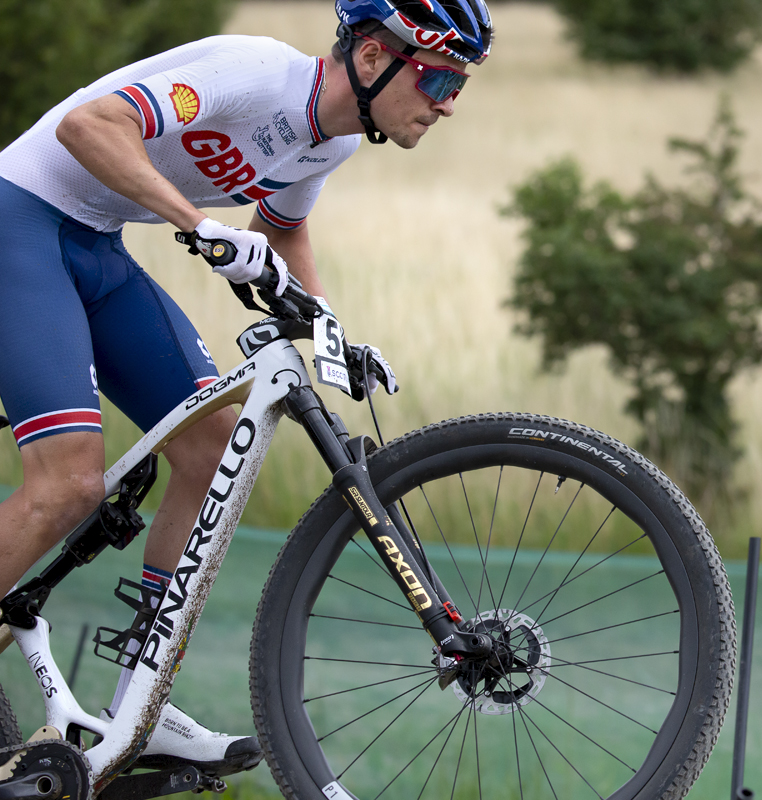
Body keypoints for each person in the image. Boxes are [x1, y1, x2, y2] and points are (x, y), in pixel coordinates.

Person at [0, 0, 492, 779]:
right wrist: (198, 223)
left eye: (459, 85)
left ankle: (140, 709)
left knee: (212, 447)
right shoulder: (254, 74)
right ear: (371, 59)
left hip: (94, 245)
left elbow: (282, 231)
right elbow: (88, 128)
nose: (447, 102)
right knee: (69, 484)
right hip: (19, 222)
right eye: (437, 76)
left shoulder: (326, 144)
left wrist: (329, 327)